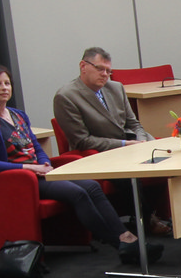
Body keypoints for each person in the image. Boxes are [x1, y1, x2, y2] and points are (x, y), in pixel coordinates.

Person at [0, 62, 160, 267]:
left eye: (7, 83)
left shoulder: (18, 115)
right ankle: (123, 243)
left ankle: (127, 240)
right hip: (21, 180)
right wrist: (31, 168)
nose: (4, 88)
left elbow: (36, 147)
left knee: (92, 186)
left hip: (40, 172)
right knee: (77, 193)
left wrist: (44, 163)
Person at [52, 47, 170, 236]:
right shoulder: (66, 96)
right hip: (100, 154)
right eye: (100, 69)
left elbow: (134, 124)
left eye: (108, 70)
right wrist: (124, 145)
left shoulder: (115, 88)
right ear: (83, 66)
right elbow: (82, 141)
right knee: (127, 174)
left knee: (173, 158)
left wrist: (142, 143)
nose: (105, 74)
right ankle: (147, 219)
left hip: (131, 145)